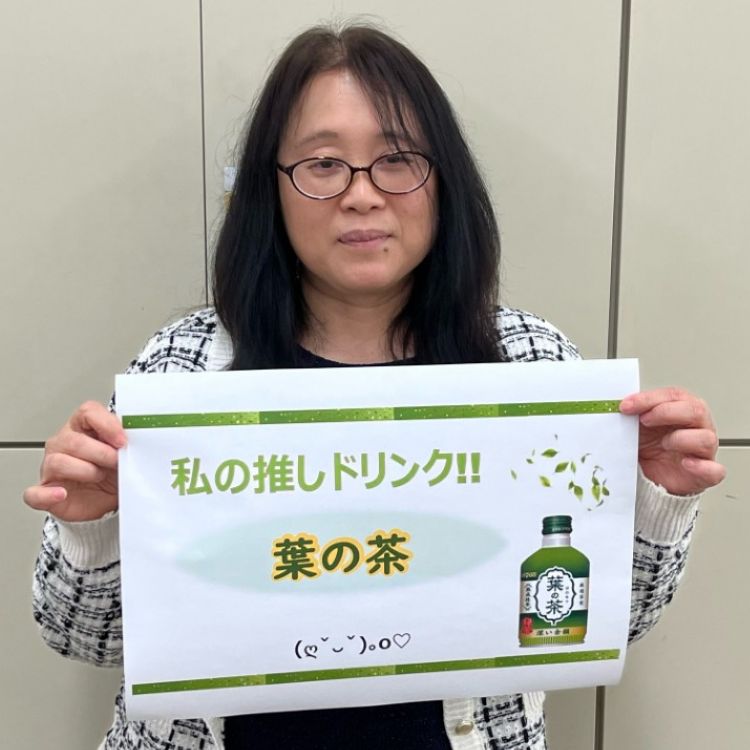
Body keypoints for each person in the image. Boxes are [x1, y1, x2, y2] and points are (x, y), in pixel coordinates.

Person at [24, 23, 725, 750]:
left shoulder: (532, 366)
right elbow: (84, 636)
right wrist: (91, 526)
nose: (362, 195)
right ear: (271, 187)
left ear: (443, 180)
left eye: (397, 159)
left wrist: (655, 503)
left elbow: (592, 625)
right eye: (324, 163)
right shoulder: (184, 368)